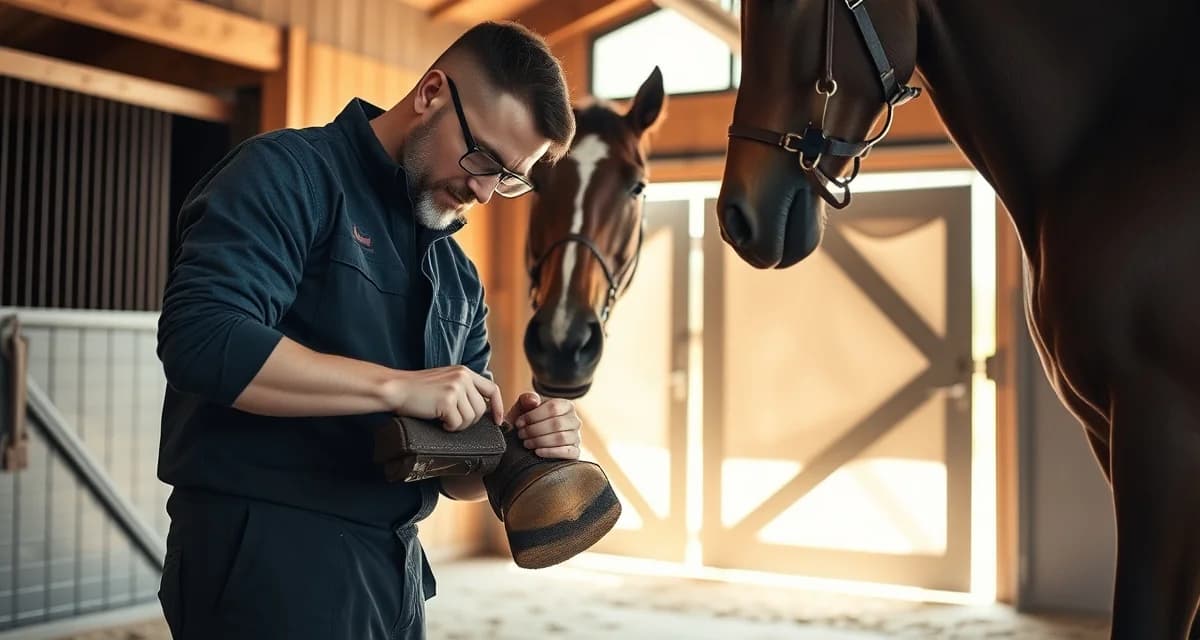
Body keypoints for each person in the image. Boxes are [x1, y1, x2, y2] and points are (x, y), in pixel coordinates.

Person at [154, 20, 583, 639]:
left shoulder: (458, 276)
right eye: (483, 157)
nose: (485, 192)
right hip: (263, 560)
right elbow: (202, 339)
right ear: (432, 92)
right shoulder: (288, 174)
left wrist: (513, 440)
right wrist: (396, 387)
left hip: (394, 573)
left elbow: (459, 478)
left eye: (510, 178)